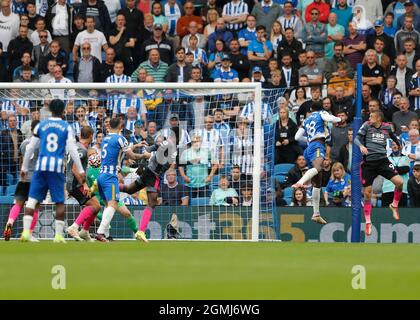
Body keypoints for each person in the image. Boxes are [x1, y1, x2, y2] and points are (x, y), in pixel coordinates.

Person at [19, 99, 85, 243]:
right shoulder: (66, 127)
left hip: (41, 167)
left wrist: (24, 167)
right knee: (59, 202)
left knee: (32, 200)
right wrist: (80, 169)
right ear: (63, 111)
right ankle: (59, 236)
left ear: (49, 110)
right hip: (56, 168)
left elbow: (30, 148)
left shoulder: (41, 125)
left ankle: (25, 232)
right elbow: (73, 149)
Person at [94, 117, 149, 242]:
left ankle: (104, 234)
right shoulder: (121, 138)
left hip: (101, 175)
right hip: (110, 177)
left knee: (108, 205)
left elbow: (117, 151)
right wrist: (145, 155)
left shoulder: (106, 138)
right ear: (120, 127)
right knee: (113, 205)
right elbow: (132, 156)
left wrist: (134, 146)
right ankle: (100, 233)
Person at [119, 132, 178, 242]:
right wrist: (146, 156)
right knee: (152, 203)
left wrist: (150, 156)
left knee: (129, 189)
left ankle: (110, 186)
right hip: (152, 175)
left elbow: (165, 164)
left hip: (148, 173)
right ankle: (141, 231)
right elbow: (151, 147)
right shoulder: (167, 146)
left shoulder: (172, 152)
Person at [354, 110, 404, 236]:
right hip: (369, 163)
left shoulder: (386, 127)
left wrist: (398, 143)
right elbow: (356, 138)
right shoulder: (366, 125)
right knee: (367, 193)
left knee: (399, 182)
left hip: (382, 161)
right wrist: (361, 146)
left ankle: (394, 205)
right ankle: (368, 222)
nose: (369, 117)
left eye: (372, 116)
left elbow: (393, 136)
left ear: (379, 118)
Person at [293, 102, 342, 224]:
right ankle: (300, 182)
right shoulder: (321, 113)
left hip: (309, 148)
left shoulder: (306, 120)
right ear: (321, 108)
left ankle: (316, 214)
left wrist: (310, 137)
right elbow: (329, 118)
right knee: (319, 168)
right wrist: (340, 118)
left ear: (311, 109)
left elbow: (296, 137)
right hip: (317, 145)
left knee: (317, 183)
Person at [3, 120, 40, 242]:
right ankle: (28, 233)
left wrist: (22, 174)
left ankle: (9, 223)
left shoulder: (24, 143)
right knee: (34, 207)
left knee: (18, 203)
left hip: (23, 178)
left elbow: (21, 161)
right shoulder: (42, 143)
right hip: (36, 179)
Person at [62, 126, 101, 241]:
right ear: (90, 137)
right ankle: (74, 227)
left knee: (97, 206)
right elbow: (74, 168)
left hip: (72, 183)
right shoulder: (82, 150)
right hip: (76, 184)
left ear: (80, 136)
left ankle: (84, 231)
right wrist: (84, 184)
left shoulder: (75, 147)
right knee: (94, 205)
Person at [381, 140, 410, 207]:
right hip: (387, 189)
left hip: (402, 190)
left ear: (401, 146)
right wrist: (399, 169)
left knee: (402, 214)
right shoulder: (386, 159)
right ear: (391, 147)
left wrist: (392, 169)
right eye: (393, 145)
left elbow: (406, 169)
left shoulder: (406, 158)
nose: (395, 146)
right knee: (386, 214)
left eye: (397, 144)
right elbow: (385, 170)